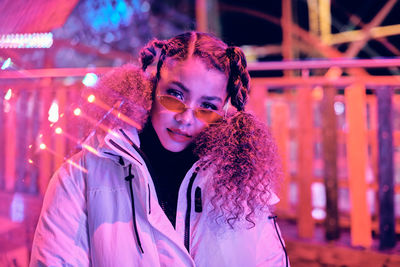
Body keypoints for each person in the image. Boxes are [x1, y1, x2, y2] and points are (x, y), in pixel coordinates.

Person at [30, 31, 289, 267]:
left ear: (223, 111)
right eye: (175, 95)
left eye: (207, 107)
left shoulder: (243, 186)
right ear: (150, 89)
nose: (186, 119)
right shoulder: (80, 177)